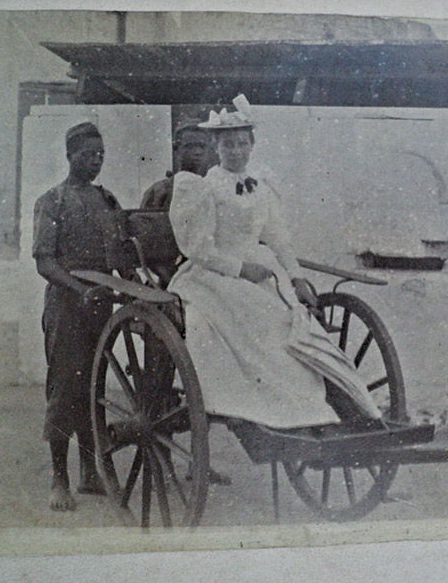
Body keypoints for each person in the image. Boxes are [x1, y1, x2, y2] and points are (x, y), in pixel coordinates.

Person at [168, 95, 381, 428]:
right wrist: (240, 269)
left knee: (295, 318)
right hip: (215, 275)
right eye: (228, 145)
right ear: (216, 147)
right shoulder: (204, 188)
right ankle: (277, 410)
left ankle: (325, 404)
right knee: (267, 323)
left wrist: (296, 278)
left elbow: (278, 238)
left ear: (251, 145)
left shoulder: (262, 187)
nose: (236, 151)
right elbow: (198, 248)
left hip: (262, 270)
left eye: (241, 144)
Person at [33, 122, 123, 511]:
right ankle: (59, 479)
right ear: (70, 155)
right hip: (66, 307)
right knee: (64, 390)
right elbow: (44, 262)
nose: (96, 161)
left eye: (101, 154)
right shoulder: (52, 201)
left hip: (99, 307)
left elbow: (122, 255)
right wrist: (80, 289)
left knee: (94, 391)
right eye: (89, 154)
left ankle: (89, 473)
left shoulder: (108, 201)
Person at [140, 120, 212, 210]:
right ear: (176, 150)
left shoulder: (215, 188)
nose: (197, 152)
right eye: (190, 146)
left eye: (202, 146)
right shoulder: (160, 191)